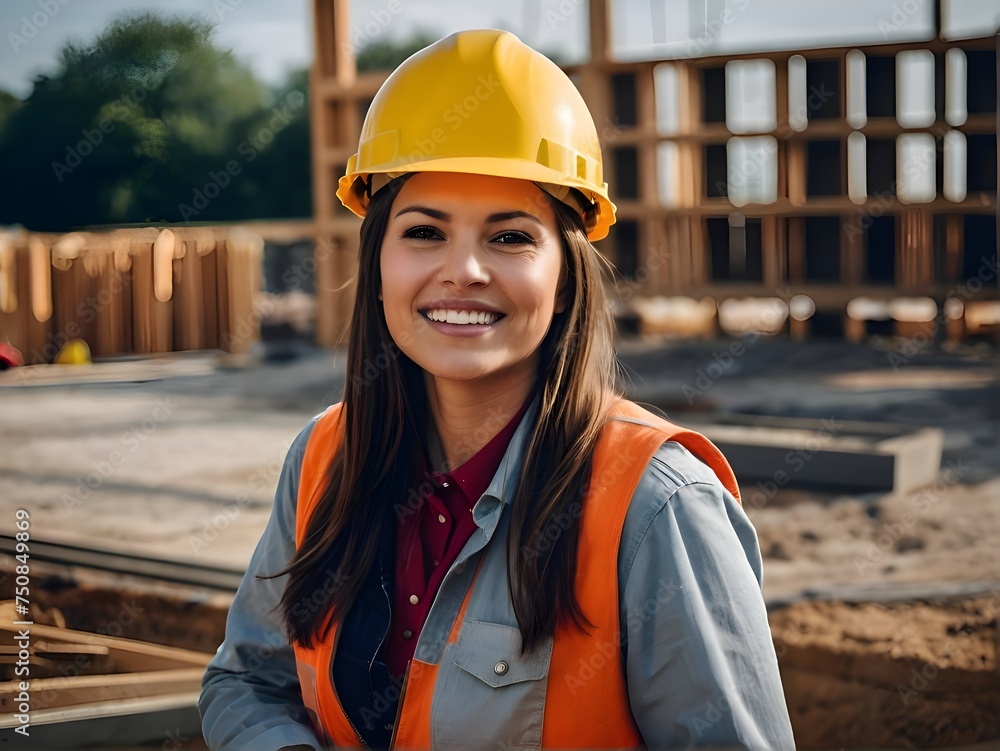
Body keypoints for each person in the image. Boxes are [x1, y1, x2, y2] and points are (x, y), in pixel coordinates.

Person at [199, 29, 795, 751]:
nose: (464, 271)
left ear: (566, 273)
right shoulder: (326, 454)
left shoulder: (657, 506)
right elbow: (248, 680)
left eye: (509, 238)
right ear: (380, 262)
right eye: (424, 232)